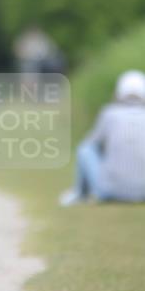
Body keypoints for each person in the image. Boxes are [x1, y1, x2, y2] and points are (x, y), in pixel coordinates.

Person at [59, 70, 145, 206]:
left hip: (109, 192)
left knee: (84, 148)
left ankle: (80, 194)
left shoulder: (110, 114)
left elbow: (90, 145)